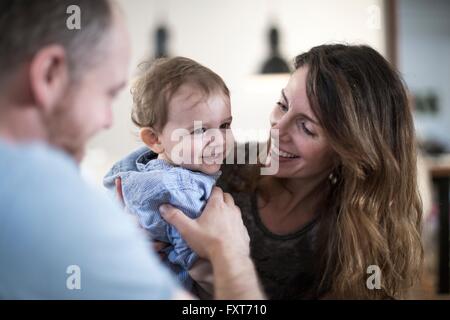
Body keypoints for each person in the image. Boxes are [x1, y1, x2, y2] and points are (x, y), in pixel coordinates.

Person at [0, 0, 263, 300]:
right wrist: (230, 254)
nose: (107, 120)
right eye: (108, 93)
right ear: (49, 74)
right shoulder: (52, 208)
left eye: (225, 125)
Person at [217, 44, 424, 299]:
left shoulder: (356, 238)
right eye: (282, 104)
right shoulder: (223, 164)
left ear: (349, 150)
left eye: (306, 127)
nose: (277, 129)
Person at [103, 56, 234, 295]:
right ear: (154, 139)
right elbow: (204, 263)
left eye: (225, 126)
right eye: (200, 130)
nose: (219, 140)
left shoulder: (137, 168)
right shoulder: (180, 189)